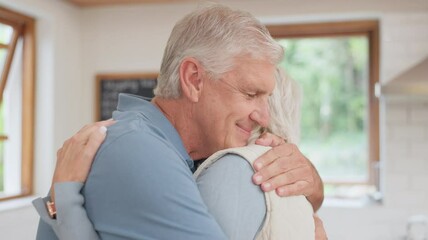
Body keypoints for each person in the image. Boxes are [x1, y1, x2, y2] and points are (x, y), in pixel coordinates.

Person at [34, 4, 324, 239]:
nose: (264, 116)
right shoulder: (138, 151)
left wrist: (309, 178)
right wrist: (65, 207)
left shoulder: (186, 154)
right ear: (194, 80)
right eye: (250, 94)